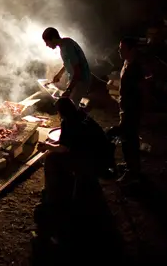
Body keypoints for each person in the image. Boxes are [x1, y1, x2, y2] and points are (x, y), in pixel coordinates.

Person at [35, 98, 115, 242]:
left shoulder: (68, 122)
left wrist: (46, 146)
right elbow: (72, 140)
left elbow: (64, 148)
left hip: (91, 163)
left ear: (61, 112)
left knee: (51, 159)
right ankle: (67, 187)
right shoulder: (81, 115)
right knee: (62, 157)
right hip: (105, 158)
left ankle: (52, 197)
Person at [107, 37, 146, 184]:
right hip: (125, 108)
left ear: (132, 50)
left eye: (122, 49)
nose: (119, 51)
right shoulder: (126, 62)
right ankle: (131, 167)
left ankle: (133, 172)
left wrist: (137, 108)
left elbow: (142, 89)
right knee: (127, 139)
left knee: (128, 140)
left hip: (131, 109)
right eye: (119, 48)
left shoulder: (135, 68)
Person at [42, 27, 91, 109]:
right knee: (71, 105)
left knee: (71, 108)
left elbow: (77, 71)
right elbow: (68, 63)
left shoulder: (67, 47)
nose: (47, 45)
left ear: (53, 38)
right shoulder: (64, 44)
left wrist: (69, 90)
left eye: (47, 42)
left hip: (81, 80)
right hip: (77, 79)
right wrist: (59, 75)